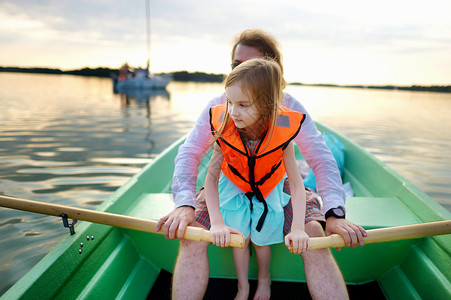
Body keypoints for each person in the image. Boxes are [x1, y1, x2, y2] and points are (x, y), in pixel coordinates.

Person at [157, 29, 367, 300]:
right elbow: (189, 153)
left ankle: (269, 275)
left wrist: (334, 214)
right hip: (231, 185)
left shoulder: (290, 110)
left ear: (272, 72)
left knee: (314, 232)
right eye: (236, 65)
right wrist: (184, 204)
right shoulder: (221, 108)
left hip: (276, 184)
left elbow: (321, 159)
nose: (242, 71)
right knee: (192, 233)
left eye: (252, 65)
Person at [205, 58, 310, 300]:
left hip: (268, 185)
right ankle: (243, 287)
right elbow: (210, 181)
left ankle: (265, 279)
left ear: (266, 104)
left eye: (242, 104)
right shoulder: (225, 129)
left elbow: (296, 184)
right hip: (234, 184)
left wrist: (298, 229)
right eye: (230, 102)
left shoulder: (282, 136)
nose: (233, 111)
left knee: (261, 241)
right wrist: (217, 222)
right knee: (239, 239)